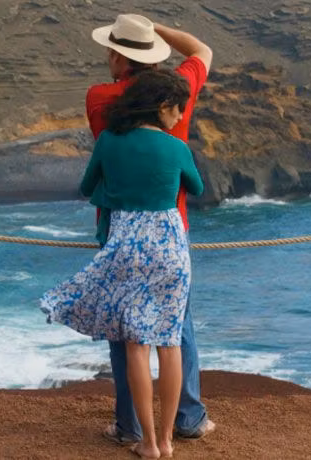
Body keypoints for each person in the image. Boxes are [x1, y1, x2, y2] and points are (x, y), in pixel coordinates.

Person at [41, 69, 204, 459]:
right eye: (178, 109)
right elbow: (196, 187)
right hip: (170, 247)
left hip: (126, 244)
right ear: (163, 106)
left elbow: (86, 188)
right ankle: (168, 441)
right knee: (170, 345)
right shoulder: (175, 146)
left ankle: (147, 443)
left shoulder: (110, 141)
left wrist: (114, 191)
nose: (181, 116)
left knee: (136, 346)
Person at [85, 13, 216, 445]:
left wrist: (140, 37)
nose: (107, 56)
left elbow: (91, 181)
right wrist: (154, 30)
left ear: (120, 56)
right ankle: (188, 419)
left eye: (111, 50)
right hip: (170, 229)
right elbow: (202, 51)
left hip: (117, 228)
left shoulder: (100, 97)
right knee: (177, 327)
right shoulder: (178, 93)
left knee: (125, 330)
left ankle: (130, 427)